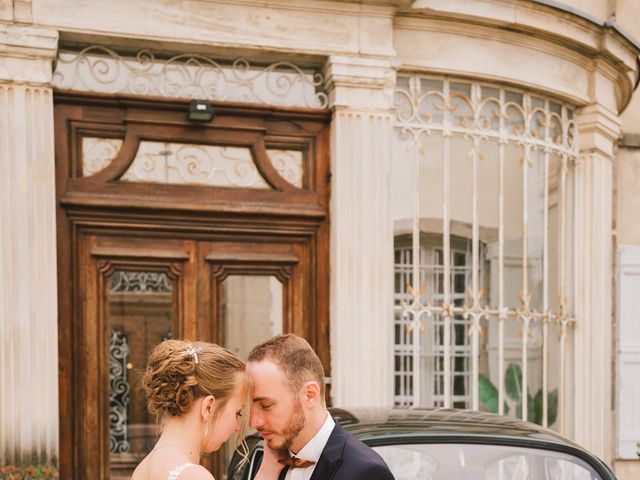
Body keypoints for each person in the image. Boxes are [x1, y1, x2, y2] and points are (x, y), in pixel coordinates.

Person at [247, 334, 395, 480]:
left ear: (310, 395)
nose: (253, 423)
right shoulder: (267, 464)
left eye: (266, 405)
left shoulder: (366, 472)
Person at [132, 339, 250, 480]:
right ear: (208, 407)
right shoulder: (194, 476)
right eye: (238, 413)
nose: (237, 427)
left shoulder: (141, 470)